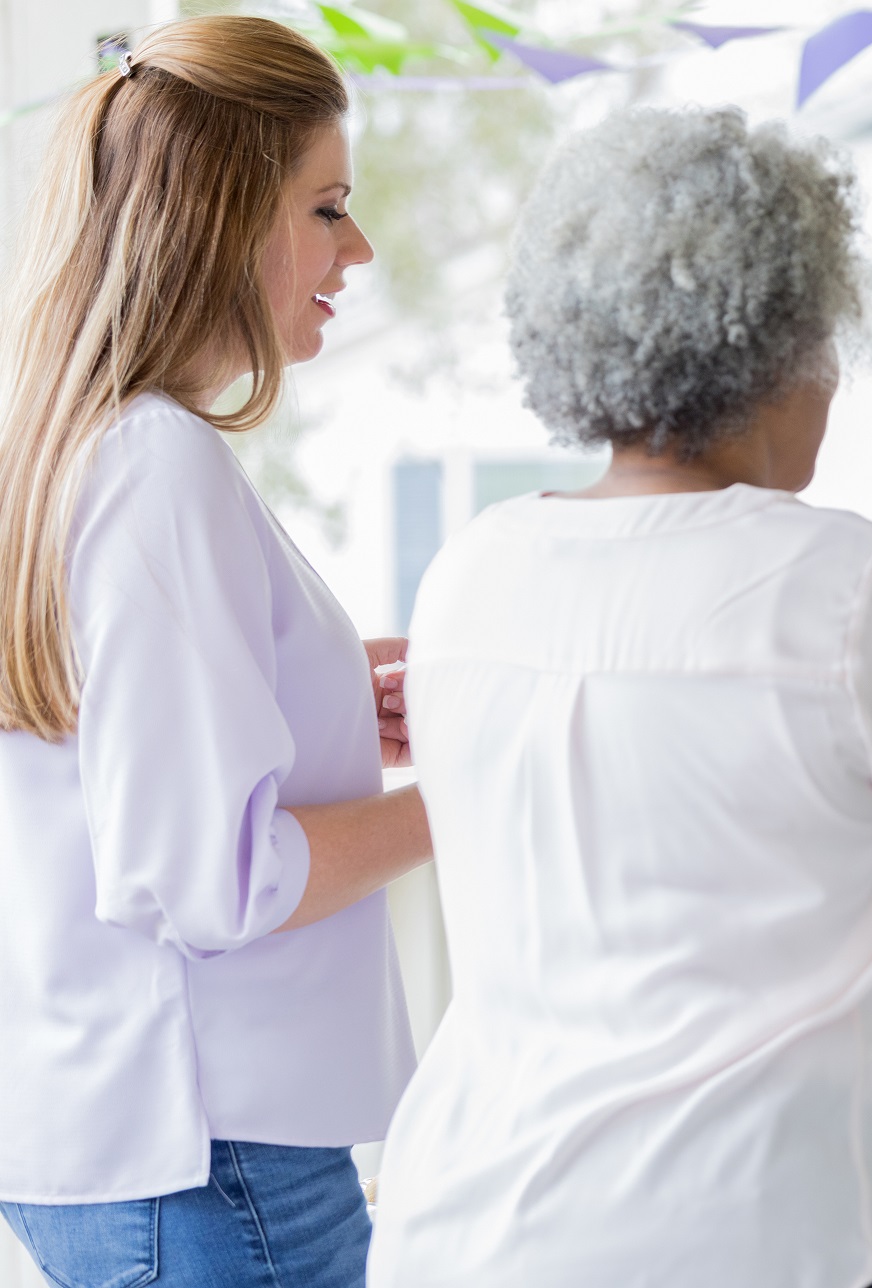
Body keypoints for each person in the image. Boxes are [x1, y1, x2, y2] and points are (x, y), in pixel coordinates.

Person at [364, 106, 872, 1288]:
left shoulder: (473, 570)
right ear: (788, 341)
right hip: (753, 1237)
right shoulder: (863, 586)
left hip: (467, 1228)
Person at [0, 16, 431, 1288]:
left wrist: (320, 696)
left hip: (131, 1137)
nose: (356, 249)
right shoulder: (156, 466)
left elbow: (106, 752)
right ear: (221, 216)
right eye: (328, 207)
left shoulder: (80, 447)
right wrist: (463, 798)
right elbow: (215, 878)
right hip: (211, 1154)